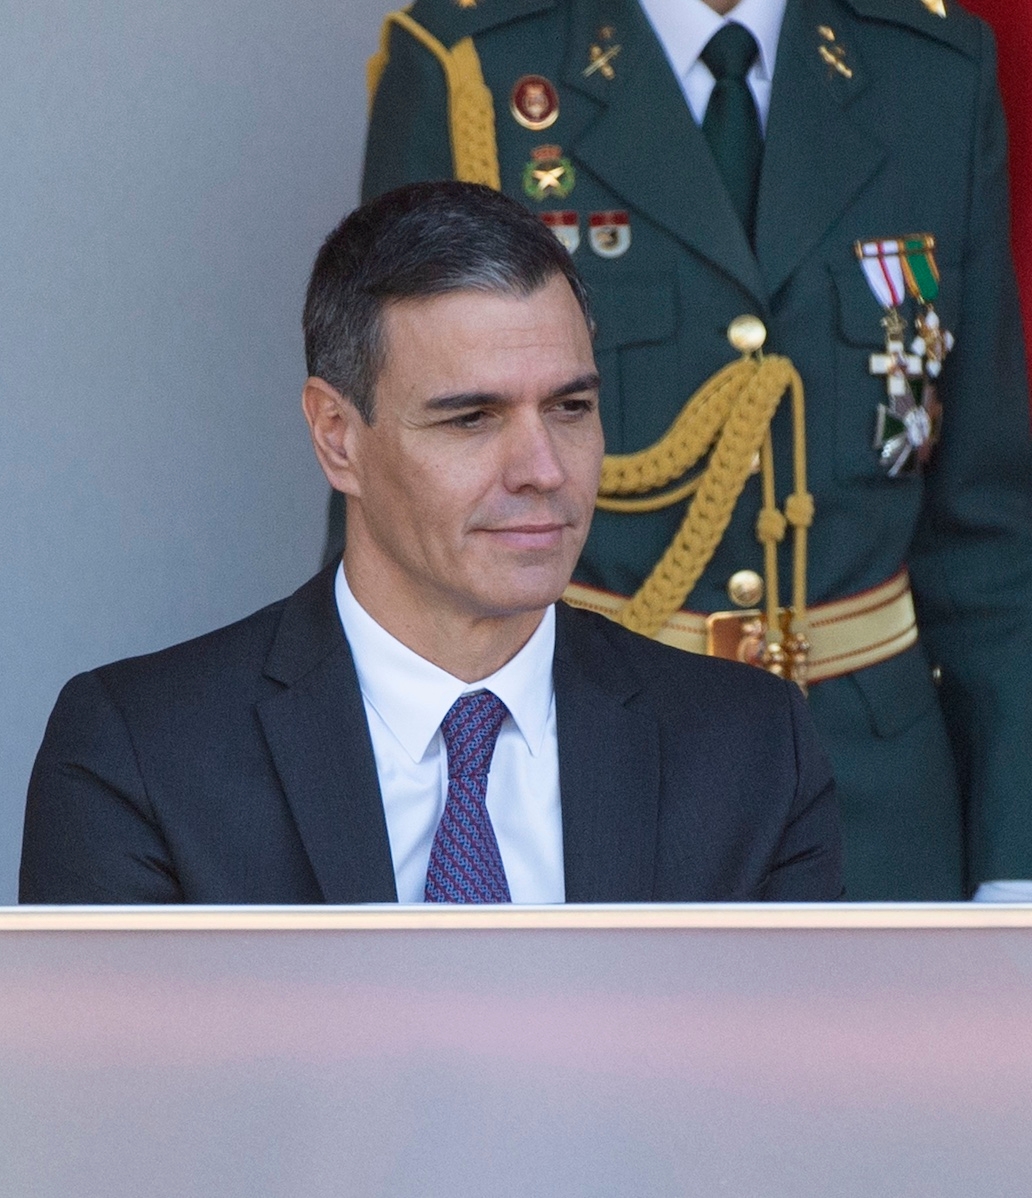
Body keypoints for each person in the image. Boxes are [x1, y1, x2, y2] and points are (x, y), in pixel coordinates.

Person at [355, 0, 1032, 900]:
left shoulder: (932, 66)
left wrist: (1013, 862)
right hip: (584, 779)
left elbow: (987, 536)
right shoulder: (473, 64)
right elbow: (394, 509)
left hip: (879, 809)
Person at [20, 182, 840, 904]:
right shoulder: (141, 755)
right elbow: (113, 1082)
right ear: (338, 436)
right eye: (471, 419)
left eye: (570, 408)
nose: (543, 470)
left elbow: (792, 1075)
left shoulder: (750, 749)